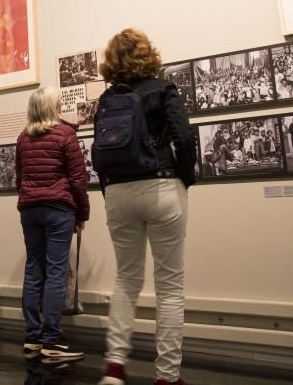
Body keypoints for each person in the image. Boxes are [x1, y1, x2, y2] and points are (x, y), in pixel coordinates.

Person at [95, 29, 196, 385]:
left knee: (127, 280)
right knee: (169, 285)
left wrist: (111, 192)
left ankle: (114, 367)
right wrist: (186, 178)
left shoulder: (107, 98)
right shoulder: (163, 88)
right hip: (163, 186)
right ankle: (167, 377)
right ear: (148, 54)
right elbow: (183, 136)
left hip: (118, 193)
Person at [15, 87, 90, 360]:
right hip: (59, 209)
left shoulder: (23, 138)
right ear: (52, 107)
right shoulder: (65, 134)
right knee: (56, 272)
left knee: (34, 269)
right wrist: (82, 213)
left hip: (30, 209)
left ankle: (32, 337)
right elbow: (77, 179)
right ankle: (52, 340)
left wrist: (27, 200)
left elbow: (19, 177)